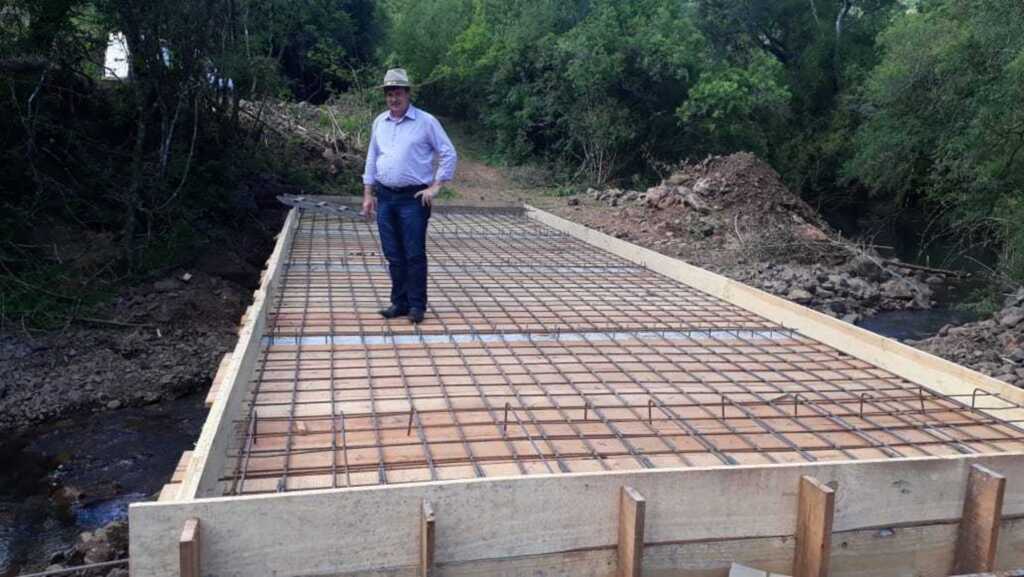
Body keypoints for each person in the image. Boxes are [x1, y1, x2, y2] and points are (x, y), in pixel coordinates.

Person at [361, 68, 457, 324]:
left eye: (398, 92)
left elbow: (448, 153)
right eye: (389, 93)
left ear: (408, 93)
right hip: (385, 197)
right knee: (393, 254)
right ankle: (399, 302)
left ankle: (416, 305)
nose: (394, 98)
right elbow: (372, 158)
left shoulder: (426, 122)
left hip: (413, 199)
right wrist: (368, 194)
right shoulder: (379, 122)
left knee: (414, 253)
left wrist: (436, 186)